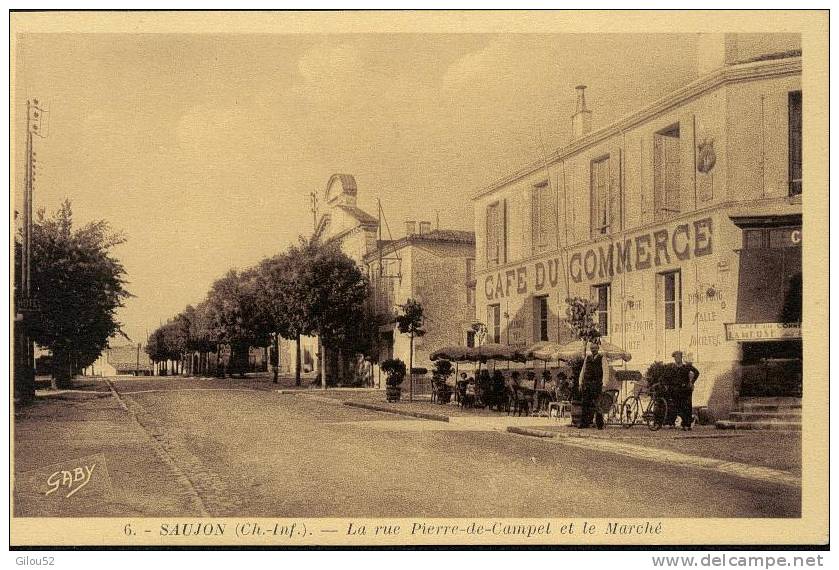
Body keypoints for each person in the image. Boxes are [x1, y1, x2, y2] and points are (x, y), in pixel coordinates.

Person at [672, 350, 700, 430]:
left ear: (681, 358)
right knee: (680, 407)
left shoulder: (686, 367)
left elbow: (696, 372)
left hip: (686, 389)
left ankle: (687, 425)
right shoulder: (674, 368)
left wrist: (692, 382)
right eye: (675, 358)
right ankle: (685, 423)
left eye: (677, 357)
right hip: (679, 390)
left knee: (687, 407)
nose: (676, 359)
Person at [579, 343, 605, 429]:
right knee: (585, 403)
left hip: (597, 384)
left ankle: (599, 424)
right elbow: (583, 370)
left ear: (598, 349)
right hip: (587, 384)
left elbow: (606, 371)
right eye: (592, 348)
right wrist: (580, 383)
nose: (593, 350)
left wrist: (604, 384)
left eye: (595, 348)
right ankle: (584, 423)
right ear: (590, 349)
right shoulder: (588, 358)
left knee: (597, 404)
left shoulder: (602, 358)